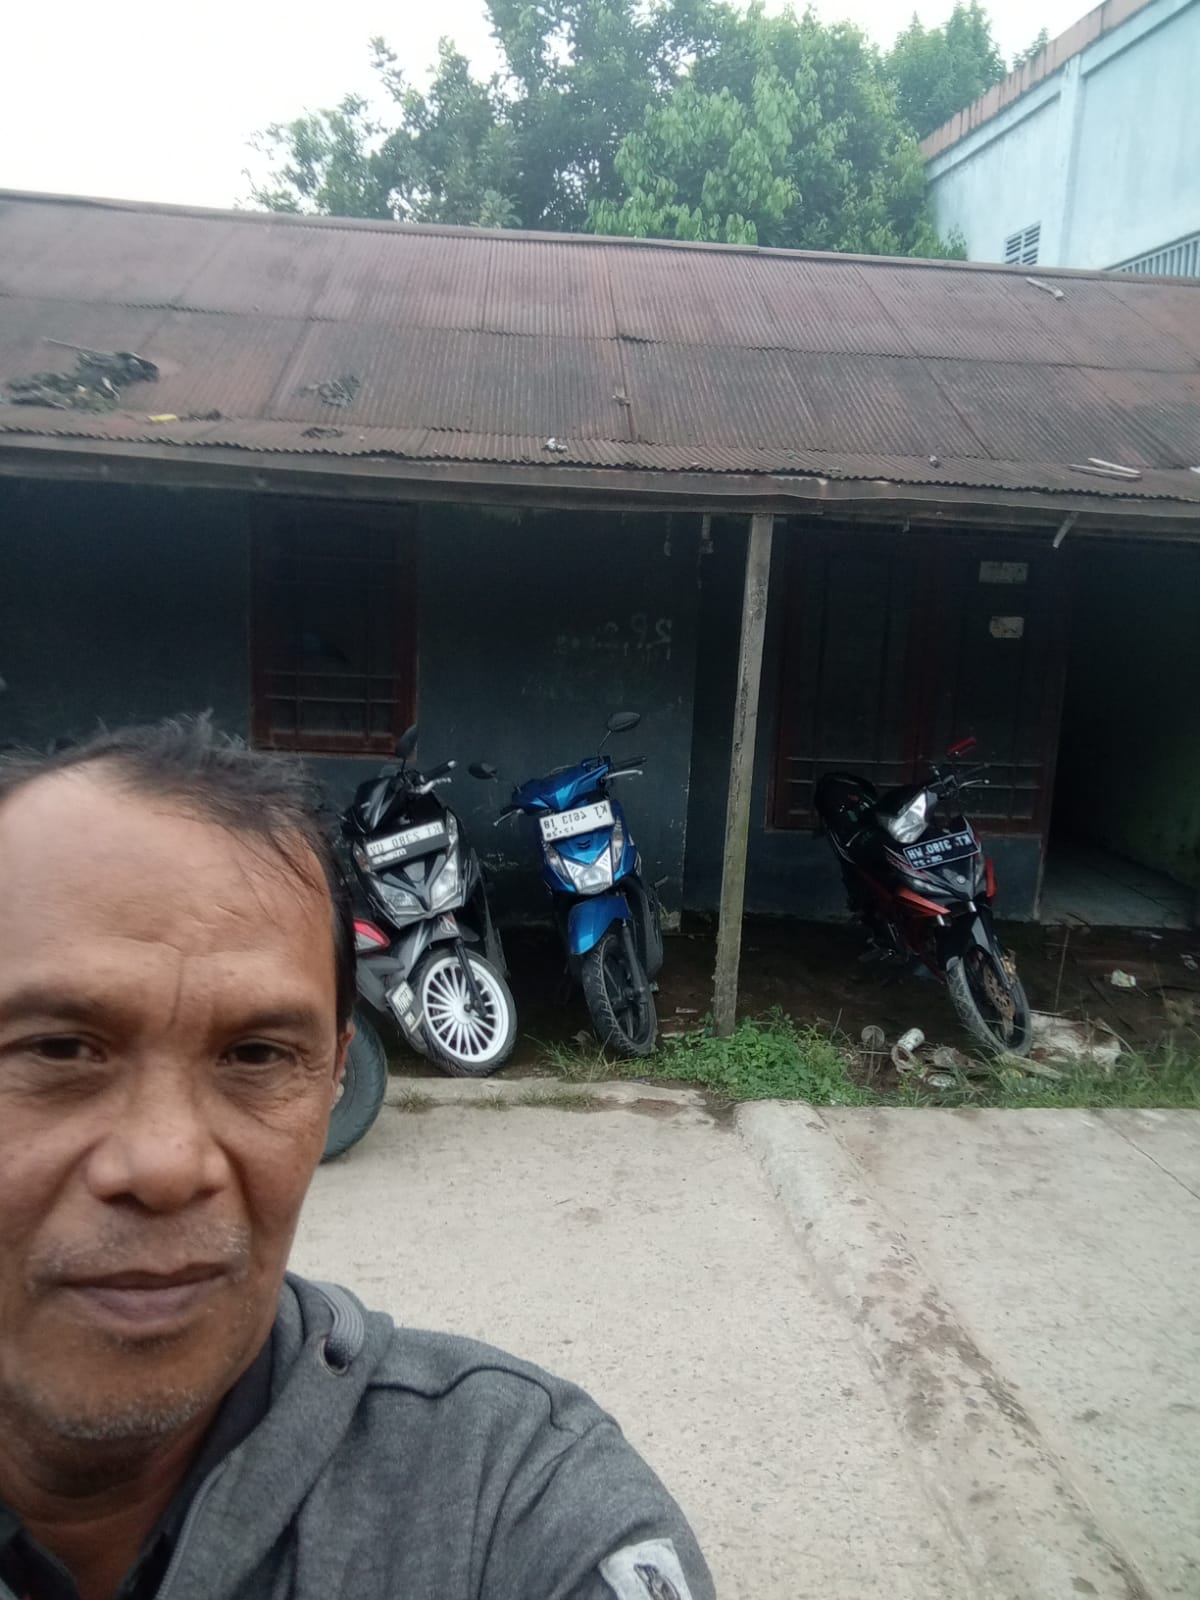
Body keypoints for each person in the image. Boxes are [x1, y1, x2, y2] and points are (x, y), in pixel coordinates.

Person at [0, 717, 713, 1600]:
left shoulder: (509, 1493)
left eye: (257, 1055)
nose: (166, 1166)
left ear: (336, 1074)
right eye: (59, 1049)